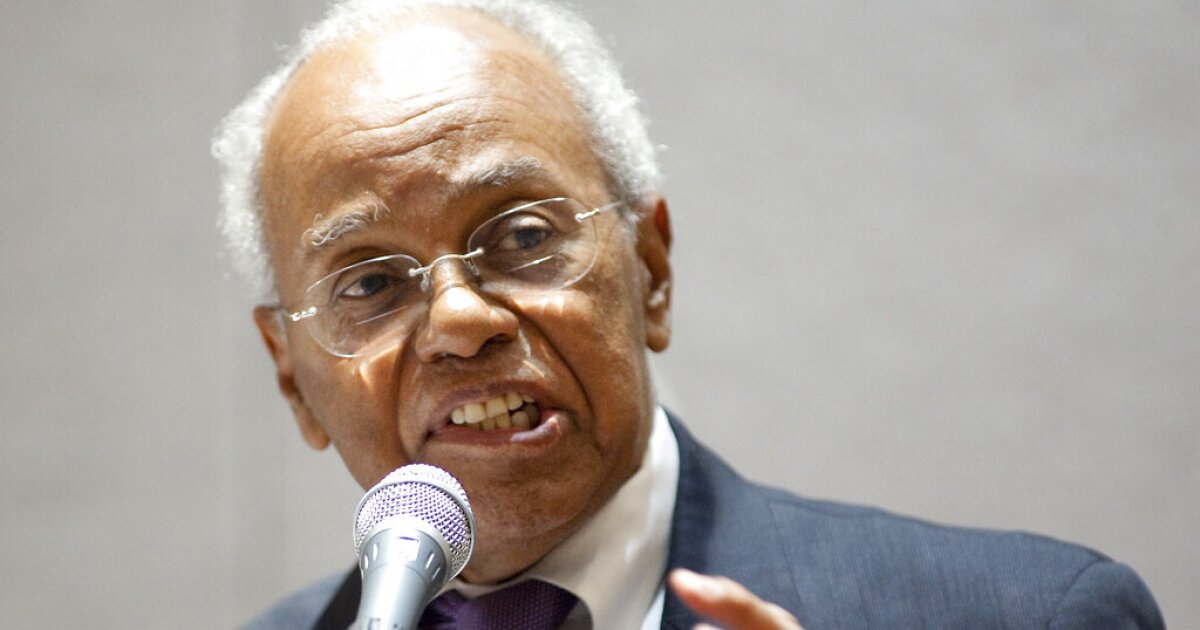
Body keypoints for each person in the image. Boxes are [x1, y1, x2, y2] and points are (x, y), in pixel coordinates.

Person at [212, 1, 1164, 628]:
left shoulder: (1035, 616)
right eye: (370, 285)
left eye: (522, 235)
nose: (460, 320)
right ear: (292, 376)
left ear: (651, 271)